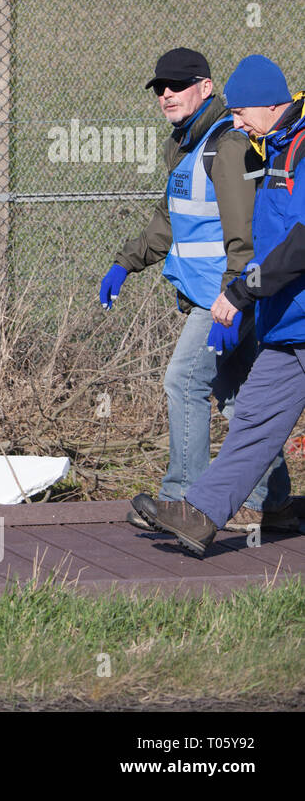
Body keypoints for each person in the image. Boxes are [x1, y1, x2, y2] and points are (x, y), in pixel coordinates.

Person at [98, 48, 292, 533]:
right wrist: (126, 263)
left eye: (177, 85)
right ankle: (273, 499)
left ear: (206, 88)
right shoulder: (185, 145)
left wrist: (234, 303)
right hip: (219, 297)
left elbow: (244, 237)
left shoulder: (225, 146)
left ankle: (182, 498)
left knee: (184, 382)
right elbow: (169, 220)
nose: (166, 94)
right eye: (160, 87)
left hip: (224, 299)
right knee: (235, 395)